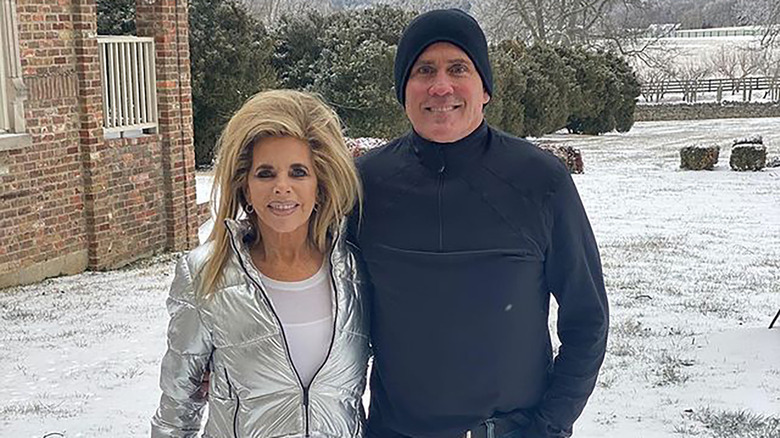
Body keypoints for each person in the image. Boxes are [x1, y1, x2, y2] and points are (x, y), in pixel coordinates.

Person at [351, 9, 609, 438]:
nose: (441, 86)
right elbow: (316, 293)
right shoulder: (364, 185)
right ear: (403, 89)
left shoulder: (540, 180)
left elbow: (587, 320)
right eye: (424, 70)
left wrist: (549, 425)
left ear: (484, 87)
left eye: (459, 69)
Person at [151, 90, 371, 437]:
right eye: (266, 174)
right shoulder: (206, 274)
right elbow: (177, 405)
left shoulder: (357, 272)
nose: (282, 187)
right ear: (246, 187)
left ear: (320, 185)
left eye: (298, 172)